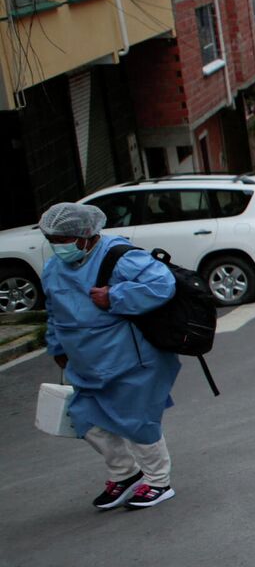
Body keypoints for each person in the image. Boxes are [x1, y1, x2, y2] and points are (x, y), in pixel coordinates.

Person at [39, 203, 182, 510]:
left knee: (137, 420)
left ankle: (159, 481)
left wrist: (114, 297)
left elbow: (162, 284)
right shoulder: (53, 268)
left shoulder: (120, 257)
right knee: (85, 419)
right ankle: (125, 473)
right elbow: (55, 312)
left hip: (130, 357)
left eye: (64, 238)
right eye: (53, 238)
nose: (58, 245)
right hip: (86, 362)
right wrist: (57, 347)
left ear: (87, 235)